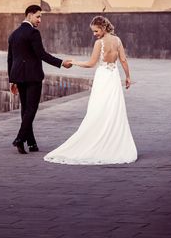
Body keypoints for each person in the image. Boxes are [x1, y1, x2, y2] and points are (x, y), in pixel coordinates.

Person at [44, 15, 137, 165]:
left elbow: (91, 64)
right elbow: (123, 60)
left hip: (102, 78)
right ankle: (112, 143)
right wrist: (127, 77)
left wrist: (74, 62)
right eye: (93, 32)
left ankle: (98, 141)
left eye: (96, 31)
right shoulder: (118, 40)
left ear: (104, 28)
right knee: (112, 109)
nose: (94, 34)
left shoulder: (99, 43)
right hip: (113, 77)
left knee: (98, 109)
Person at [8, 4, 72, 154]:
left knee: (25, 110)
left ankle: (31, 144)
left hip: (18, 76)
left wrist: (11, 79)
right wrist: (61, 63)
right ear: (29, 15)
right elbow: (41, 54)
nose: (40, 20)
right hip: (33, 76)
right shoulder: (33, 33)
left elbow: (10, 59)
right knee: (31, 109)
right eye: (38, 16)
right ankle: (19, 138)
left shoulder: (14, 34)